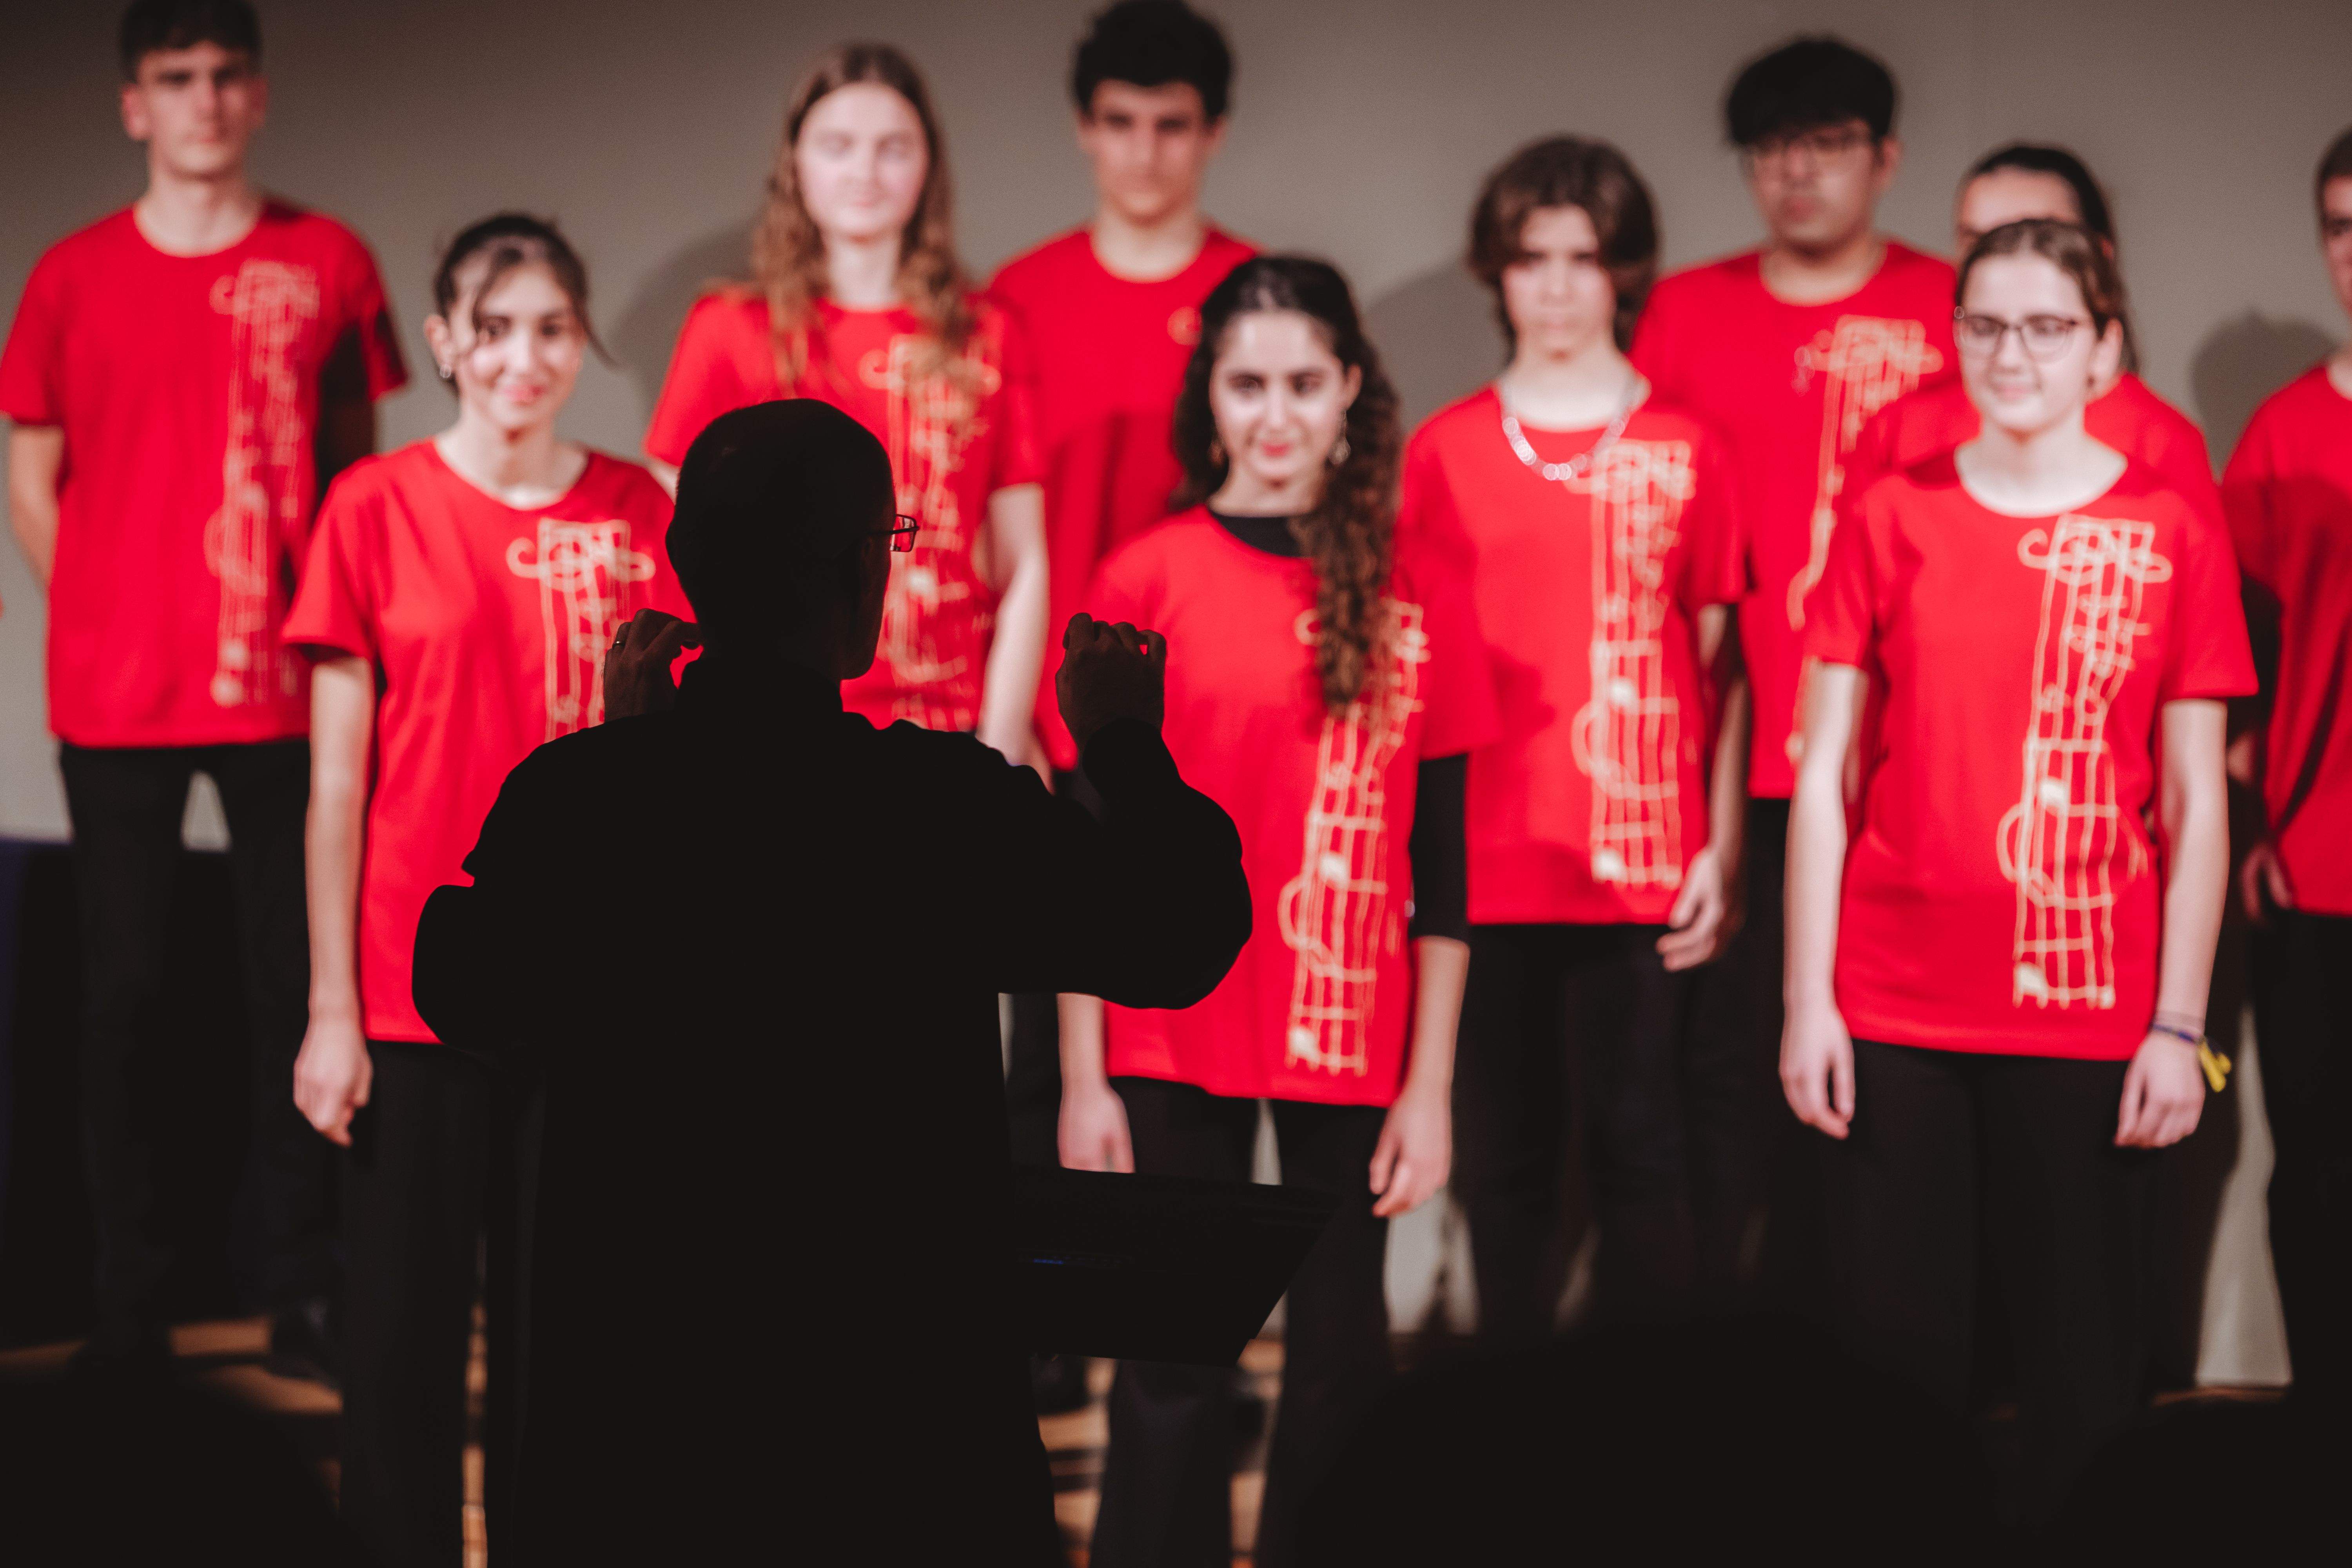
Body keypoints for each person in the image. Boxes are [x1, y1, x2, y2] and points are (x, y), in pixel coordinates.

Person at [407, 397, 1252, 1565]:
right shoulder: (937, 808)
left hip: (647, 1431)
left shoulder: (581, 797)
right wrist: (1120, 742)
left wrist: (626, 756)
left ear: (688, 565)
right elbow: (1182, 931)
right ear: (863, 575)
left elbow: (463, 985)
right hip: (893, 1433)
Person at [1783, 219, 2253, 1516]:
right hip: (1895, 1004)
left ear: (2104, 348)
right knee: (1895, 1373)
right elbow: (1823, 778)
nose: (2013, 353)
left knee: (2082, 1371)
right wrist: (1809, 1001)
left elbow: (2196, 802)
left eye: (2049, 327)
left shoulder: (2172, 528)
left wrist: (2180, 1025)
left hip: (2090, 1008)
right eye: (1986, 325)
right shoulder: (1889, 515)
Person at [1060, 256, 1497, 1568]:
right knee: (1170, 1366)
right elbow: (1087, 861)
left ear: (1351, 387)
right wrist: (1084, 1077)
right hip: (1169, 1027)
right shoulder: (1142, 579)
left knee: (1340, 1363)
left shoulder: (1418, 584)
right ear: (1210, 393)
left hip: (1348, 1026)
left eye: (1305, 383)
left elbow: (1445, 872)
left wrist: (1431, 1090)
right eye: (1247, 385)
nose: (1276, 415)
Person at [0, 0, 405, 1378]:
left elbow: (352, 476)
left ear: (260, 93)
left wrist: (314, 630)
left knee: (295, 986)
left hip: (287, 691)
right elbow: (31, 481)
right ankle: (131, 1305)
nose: (206, 99)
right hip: (116, 696)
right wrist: (109, 607)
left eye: (229, 74)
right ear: (136, 103)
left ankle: (301, 1290)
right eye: (177, 78)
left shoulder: (327, 260)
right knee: (121, 998)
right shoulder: (70, 277)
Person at [282, 215, 689, 1567]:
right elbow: (337, 783)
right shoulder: (375, 505)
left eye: (553, 328)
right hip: (416, 983)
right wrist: (331, 1009)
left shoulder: (641, 513)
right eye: (496, 327)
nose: (526, 357)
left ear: (584, 343)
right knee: (397, 1340)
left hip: (593, 992)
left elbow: (680, 766)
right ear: (444, 341)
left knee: (561, 1343)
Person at [1628, 33, 1956, 1304]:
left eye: (1825, 144)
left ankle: (1862, 1342)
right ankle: (1731, 1341)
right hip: (1730, 757)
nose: (1797, 173)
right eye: (1770, 149)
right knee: (1726, 1067)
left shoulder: (1950, 308)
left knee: (1887, 1068)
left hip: (1904, 763)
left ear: (1887, 158)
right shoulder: (1686, 313)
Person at [1407, 136, 1749, 1335]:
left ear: (1623, 273)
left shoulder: (1689, 448)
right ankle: (1513, 1410)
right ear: (1496, 273)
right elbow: (1414, 675)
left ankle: (1642, 1420)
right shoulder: (1443, 451)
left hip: (1637, 860)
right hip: (1486, 860)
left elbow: (1721, 671)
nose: (1555, 288)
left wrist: (1720, 846)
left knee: (1643, 1153)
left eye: (1582, 259)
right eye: (1530, 259)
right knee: (1503, 1162)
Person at [988, 0, 1253, 1411]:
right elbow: (988, 525)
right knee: (1040, 1055)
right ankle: (1040, 1344)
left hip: (1201, 729)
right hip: (1051, 723)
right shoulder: (1016, 300)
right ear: (1083, 130)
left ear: (1210, 133)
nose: (1145, 152)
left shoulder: (1249, 299)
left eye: (1171, 125)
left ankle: (1174, 1366)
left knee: (1188, 1041)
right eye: (1120, 123)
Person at [644, 42, 1047, 762]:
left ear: (928, 165)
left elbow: (1025, 565)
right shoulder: (729, 329)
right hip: (769, 732)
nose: (865, 171)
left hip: (945, 729)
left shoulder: (987, 334)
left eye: (893, 148)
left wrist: (1004, 742)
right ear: (795, 163)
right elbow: (684, 549)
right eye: (838, 146)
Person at [2223, 123, 2352, 1408]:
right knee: (2315, 1162)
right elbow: (2236, 661)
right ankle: (2323, 1436)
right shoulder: (2282, 435)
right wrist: (2253, 819)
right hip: (2314, 868)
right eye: (2342, 226)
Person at [1847, 144, 2218, 518]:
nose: (2004, 262)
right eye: (1977, 244)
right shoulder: (1901, 431)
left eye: (2039, 238)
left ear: (2099, 258)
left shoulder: (2162, 442)